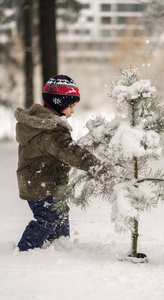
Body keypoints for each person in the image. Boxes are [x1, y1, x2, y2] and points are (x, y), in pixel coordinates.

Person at [14, 75, 109, 251]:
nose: (73, 111)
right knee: (48, 217)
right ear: (59, 103)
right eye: (71, 106)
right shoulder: (50, 130)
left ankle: (59, 247)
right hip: (40, 184)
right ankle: (25, 250)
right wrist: (95, 166)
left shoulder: (47, 126)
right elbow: (70, 152)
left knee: (60, 213)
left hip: (44, 182)